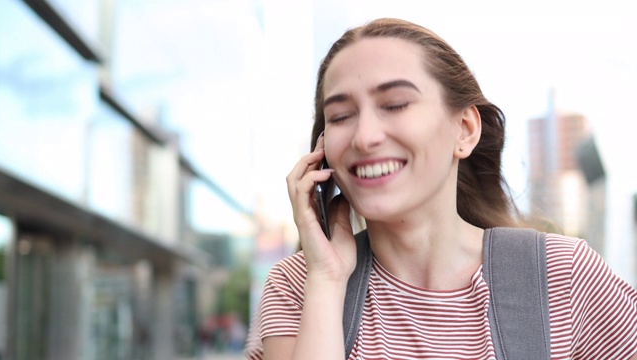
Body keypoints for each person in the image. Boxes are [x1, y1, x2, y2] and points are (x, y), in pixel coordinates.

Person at [244, 17, 637, 359]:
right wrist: (328, 281)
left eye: (395, 104)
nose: (364, 137)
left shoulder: (562, 276)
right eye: (341, 115)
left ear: (464, 130)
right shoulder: (300, 285)